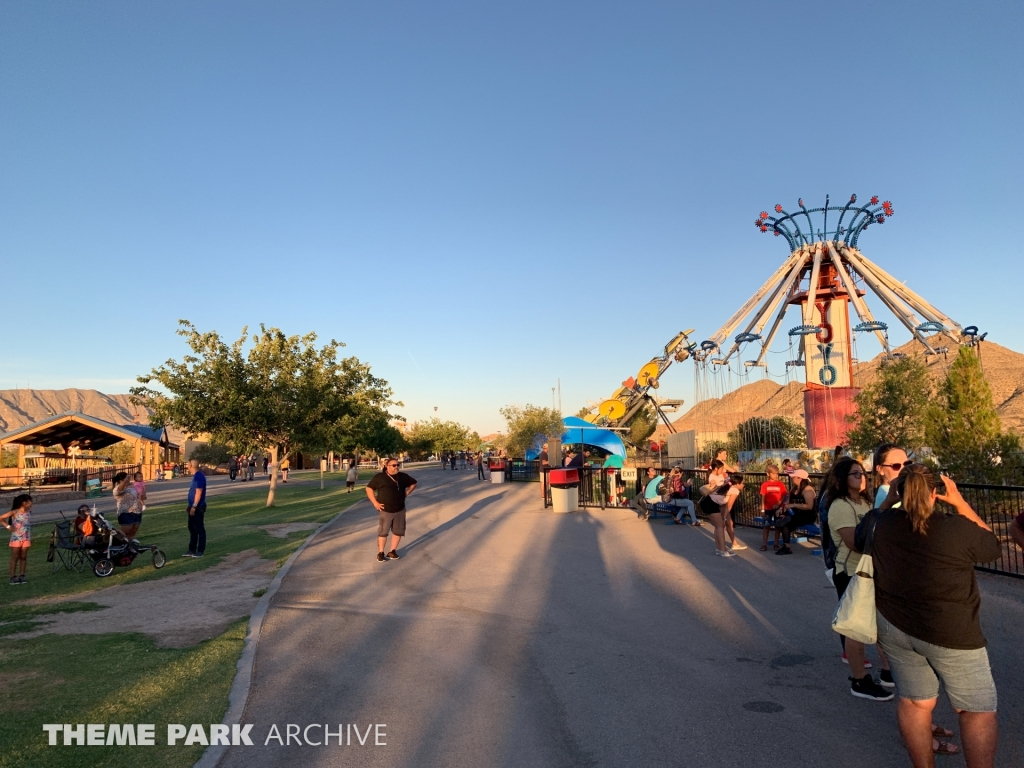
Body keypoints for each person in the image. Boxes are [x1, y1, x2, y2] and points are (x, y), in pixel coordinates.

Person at [872, 465, 1002, 767]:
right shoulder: (956, 528)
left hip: (894, 626)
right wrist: (961, 503)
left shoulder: (881, 522)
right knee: (976, 710)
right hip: (951, 632)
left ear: (899, 491)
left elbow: (861, 534)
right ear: (935, 492)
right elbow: (992, 547)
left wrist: (888, 500)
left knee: (915, 702)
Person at [826, 457, 893, 701]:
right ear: (842, 479)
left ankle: (888, 672)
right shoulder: (840, 506)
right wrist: (886, 506)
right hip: (852, 572)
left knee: (881, 625)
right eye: (855, 474)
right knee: (856, 628)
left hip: (872, 571)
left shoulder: (865, 502)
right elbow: (855, 542)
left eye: (863, 473)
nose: (861, 477)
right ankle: (859, 680)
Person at [366, 459, 417, 562]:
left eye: (398, 465)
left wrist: (407, 493)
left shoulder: (403, 476)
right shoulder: (380, 477)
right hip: (385, 510)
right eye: (394, 465)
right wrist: (375, 503)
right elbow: (369, 488)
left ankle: (392, 551)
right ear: (387, 466)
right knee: (383, 532)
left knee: (398, 531)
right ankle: (381, 553)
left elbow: (414, 483)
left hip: (400, 509)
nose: (396, 467)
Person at [699, 473, 744, 556]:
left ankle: (719, 548)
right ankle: (723, 550)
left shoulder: (727, 486)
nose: (743, 485)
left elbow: (724, 505)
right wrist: (724, 518)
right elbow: (729, 505)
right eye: (742, 483)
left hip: (708, 503)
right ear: (737, 484)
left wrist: (724, 517)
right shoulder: (735, 490)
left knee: (718, 526)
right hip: (710, 504)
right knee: (720, 526)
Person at [775, 469, 816, 556]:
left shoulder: (808, 490)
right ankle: (786, 546)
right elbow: (788, 503)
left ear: (800, 478)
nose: (792, 479)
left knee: (786, 521)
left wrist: (793, 505)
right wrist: (781, 509)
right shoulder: (793, 489)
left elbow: (809, 506)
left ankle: (786, 546)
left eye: (794, 477)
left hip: (807, 515)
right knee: (782, 520)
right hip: (795, 514)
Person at [1, 494, 32, 585]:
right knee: (15, 557)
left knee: (23, 557)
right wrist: (8, 526)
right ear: (24, 503)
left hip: (26, 538)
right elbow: (1, 518)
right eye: (30, 501)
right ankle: (12, 577)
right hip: (16, 538)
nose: (31, 503)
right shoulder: (15, 512)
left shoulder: (29, 512)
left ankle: (22, 575)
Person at [872, 443, 911, 507]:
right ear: (880, 469)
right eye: (896, 466)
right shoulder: (886, 497)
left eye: (907, 464)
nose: (903, 469)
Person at [759, 464, 788, 551]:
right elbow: (763, 498)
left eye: (777, 473)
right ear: (768, 474)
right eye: (773, 473)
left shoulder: (780, 484)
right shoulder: (765, 484)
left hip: (777, 509)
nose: (776, 475)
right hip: (768, 508)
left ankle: (776, 543)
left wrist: (779, 503)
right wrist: (762, 509)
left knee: (777, 526)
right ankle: (764, 544)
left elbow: (784, 495)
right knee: (766, 526)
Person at [184, 458, 207, 558]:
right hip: (192, 505)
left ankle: (200, 550)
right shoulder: (195, 476)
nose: (187, 466)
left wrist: (194, 506)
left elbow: (198, 492)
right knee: (192, 528)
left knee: (199, 528)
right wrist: (189, 505)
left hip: (198, 507)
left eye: (188, 464)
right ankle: (191, 549)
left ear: (191, 466)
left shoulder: (199, 476)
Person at [113, 471, 144, 541]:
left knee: (133, 532)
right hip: (126, 513)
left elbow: (138, 496)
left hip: (137, 512)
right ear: (121, 480)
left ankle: (131, 545)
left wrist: (142, 496)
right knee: (125, 532)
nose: (129, 479)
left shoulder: (132, 487)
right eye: (127, 478)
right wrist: (125, 481)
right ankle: (119, 544)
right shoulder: (117, 489)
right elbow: (119, 490)